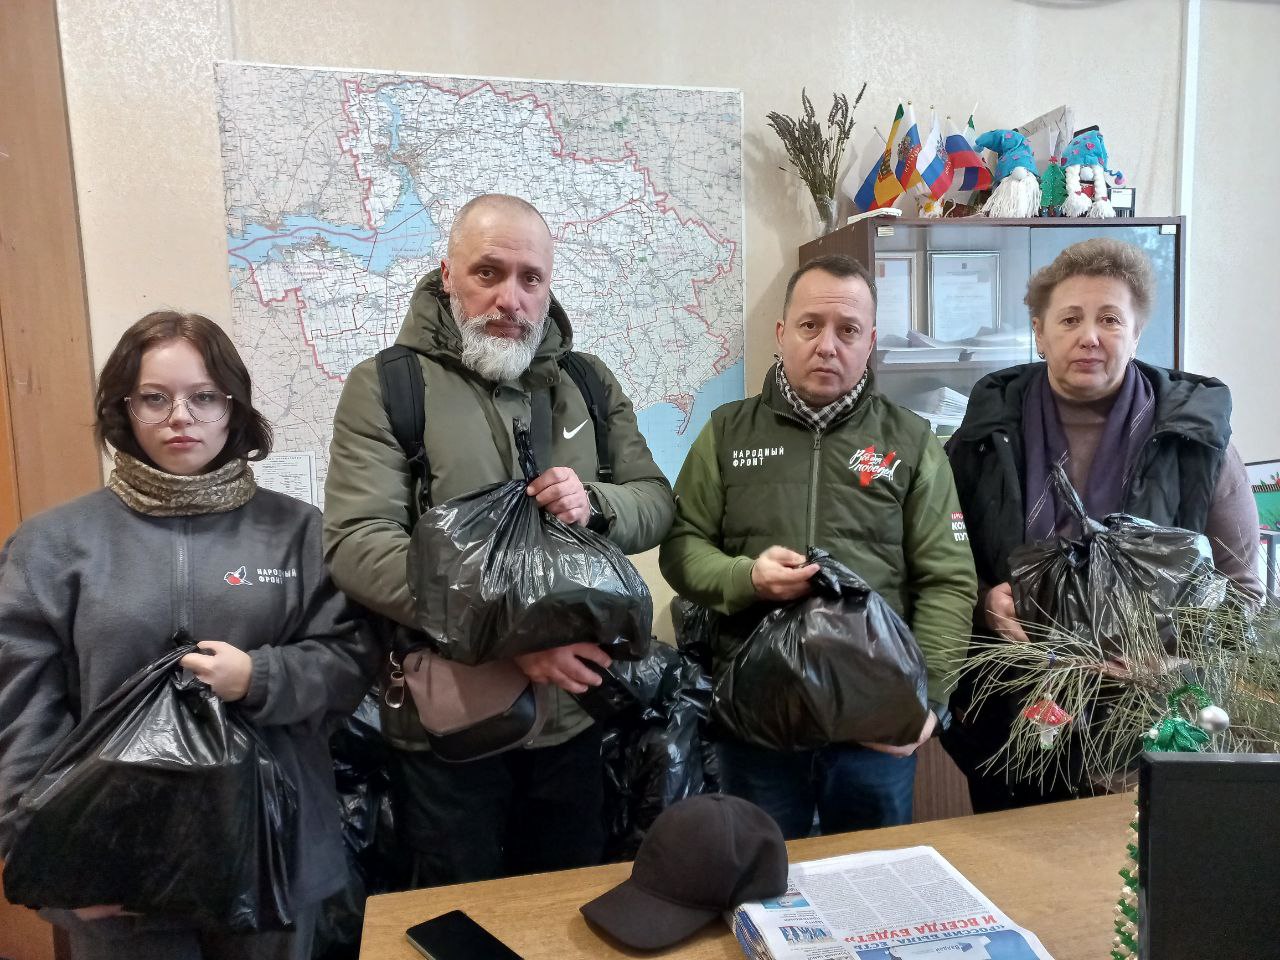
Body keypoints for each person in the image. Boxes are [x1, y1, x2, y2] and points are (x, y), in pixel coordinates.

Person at [0, 311, 378, 959]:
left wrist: (260, 677)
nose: (181, 416)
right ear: (124, 408)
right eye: (155, 397)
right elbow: (19, 709)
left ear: (234, 408)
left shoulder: (300, 532)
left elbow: (349, 663)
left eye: (205, 397)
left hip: (273, 855)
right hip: (115, 864)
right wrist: (47, 853)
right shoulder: (53, 544)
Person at [322, 193, 674, 886]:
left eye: (530, 278)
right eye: (488, 272)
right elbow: (358, 544)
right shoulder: (388, 386)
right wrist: (517, 635)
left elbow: (656, 501)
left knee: (566, 907)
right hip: (449, 729)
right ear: (447, 274)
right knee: (459, 916)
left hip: (576, 717)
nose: (510, 299)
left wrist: (596, 502)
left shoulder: (588, 383)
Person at [658, 254, 978, 840]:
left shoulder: (911, 441)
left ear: (870, 342)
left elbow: (948, 580)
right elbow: (681, 548)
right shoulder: (726, 432)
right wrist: (747, 577)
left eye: (848, 330)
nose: (827, 345)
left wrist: (928, 701)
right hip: (757, 720)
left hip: (875, 726)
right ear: (782, 333)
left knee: (874, 877)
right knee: (760, 875)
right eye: (810, 326)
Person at [943, 237, 1264, 813]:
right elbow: (941, 565)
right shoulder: (982, 440)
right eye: (1070, 319)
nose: (1089, 336)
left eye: (1110, 319)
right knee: (1013, 862)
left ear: (1137, 333)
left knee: (1133, 867)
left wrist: (1173, 664)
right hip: (1013, 724)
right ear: (1040, 332)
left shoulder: (1197, 446)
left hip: (1156, 726)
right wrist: (986, 603)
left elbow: (1241, 594)